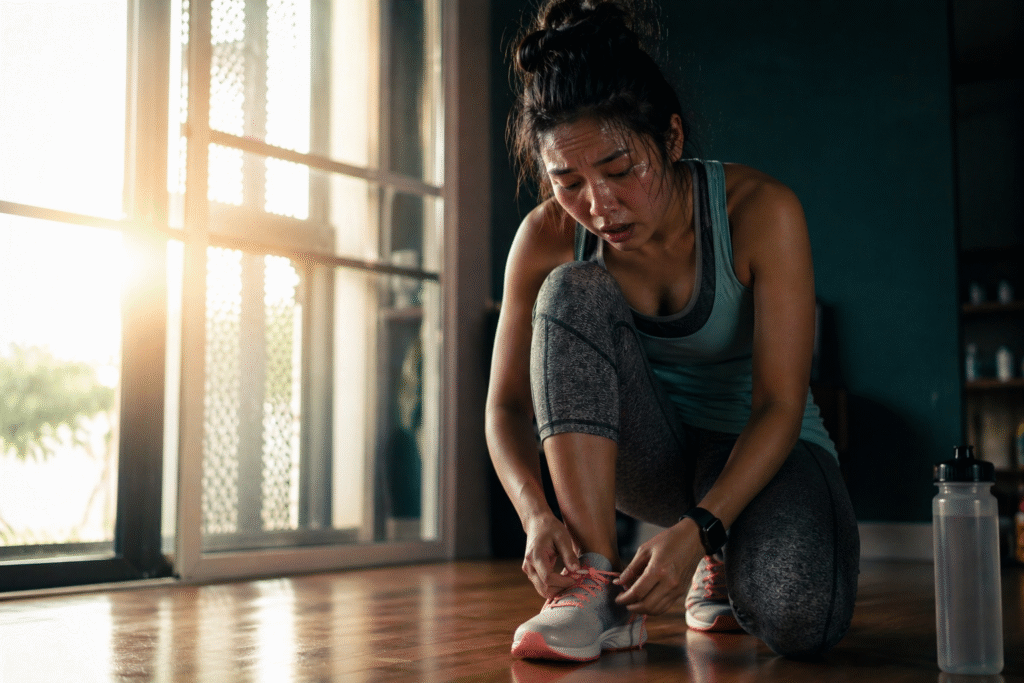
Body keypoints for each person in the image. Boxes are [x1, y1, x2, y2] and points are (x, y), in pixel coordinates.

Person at [485, 0, 860, 665]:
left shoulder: (761, 211)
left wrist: (701, 531)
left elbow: (778, 404)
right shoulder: (545, 237)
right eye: (567, 181)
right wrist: (535, 513)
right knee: (571, 287)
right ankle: (592, 592)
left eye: (621, 169)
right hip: (645, 460)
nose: (598, 205)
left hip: (759, 453)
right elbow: (507, 405)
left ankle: (721, 557)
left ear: (674, 138)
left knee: (804, 617)